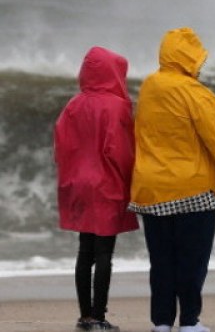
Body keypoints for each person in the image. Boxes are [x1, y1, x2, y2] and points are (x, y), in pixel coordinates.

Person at [128, 27, 215, 332]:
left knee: (162, 261)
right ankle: (190, 321)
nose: (201, 64)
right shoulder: (198, 95)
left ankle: (162, 322)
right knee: (192, 262)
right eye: (198, 59)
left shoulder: (149, 86)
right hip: (193, 189)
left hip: (152, 189)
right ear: (189, 59)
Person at [54, 46, 139, 332]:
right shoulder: (117, 106)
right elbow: (121, 152)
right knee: (104, 253)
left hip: (78, 183)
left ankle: (84, 317)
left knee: (84, 251)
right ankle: (99, 317)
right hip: (106, 184)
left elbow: (61, 146)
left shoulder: (73, 105)